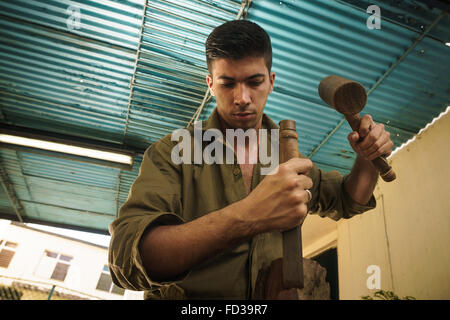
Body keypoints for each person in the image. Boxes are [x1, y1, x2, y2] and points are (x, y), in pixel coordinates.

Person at [108, 20, 393, 300]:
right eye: (227, 83)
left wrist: (367, 159)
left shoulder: (286, 156)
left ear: (271, 82)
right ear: (210, 84)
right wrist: (251, 215)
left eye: (254, 81)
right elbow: (126, 262)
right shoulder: (173, 153)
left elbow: (346, 199)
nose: (242, 97)